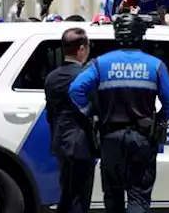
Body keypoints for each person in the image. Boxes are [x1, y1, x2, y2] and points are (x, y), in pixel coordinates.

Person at [69, 14, 169, 213]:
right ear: (141, 35)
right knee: (139, 195)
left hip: (110, 138)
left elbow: (76, 89)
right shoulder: (155, 65)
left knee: (113, 195)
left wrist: (90, 112)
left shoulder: (101, 63)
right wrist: (159, 119)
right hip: (143, 138)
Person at [46, 28, 97, 213]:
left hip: (60, 141)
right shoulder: (85, 77)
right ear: (82, 48)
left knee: (66, 193)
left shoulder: (51, 77)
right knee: (79, 197)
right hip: (81, 142)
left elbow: (50, 112)